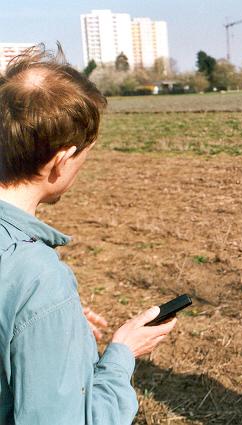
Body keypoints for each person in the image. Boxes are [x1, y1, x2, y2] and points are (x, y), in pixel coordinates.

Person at [0, 45, 177, 424]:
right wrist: (121, 354)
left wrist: (44, 325)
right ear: (60, 162)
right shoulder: (38, 278)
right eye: (84, 157)